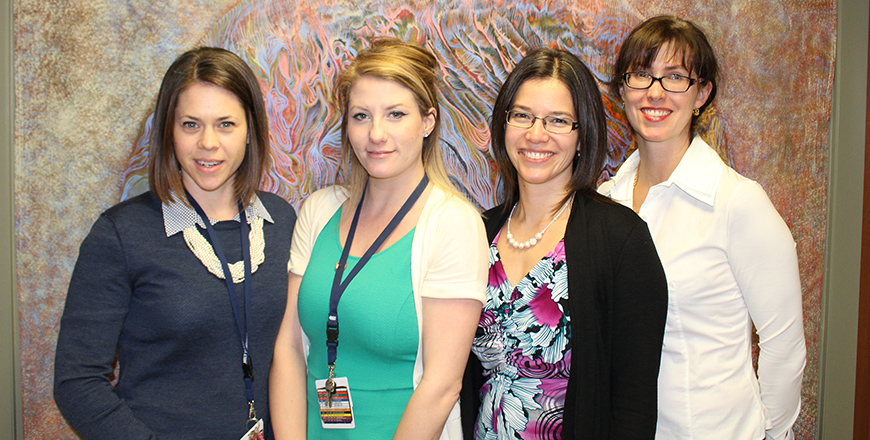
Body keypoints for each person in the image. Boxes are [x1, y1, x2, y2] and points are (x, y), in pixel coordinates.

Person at [53, 47, 296, 439]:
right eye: (190, 125)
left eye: (226, 124)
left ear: (251, 129)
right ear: (168, 130)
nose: (208, 143)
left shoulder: (282, 221)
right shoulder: (121, 234)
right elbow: (76, 382)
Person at [598, 15, 806, 440]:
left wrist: (771, 433)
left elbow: (785, 347)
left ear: (702, 93)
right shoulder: (604, 201)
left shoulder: (738, 204)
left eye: (675, 77)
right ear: (622, 91)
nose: (655, 92)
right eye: (641, 75)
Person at [269, 37, 488, 439]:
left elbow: (441, 387)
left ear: (427, 121)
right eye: (361, 116)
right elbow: (288, 348)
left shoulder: (453, 224)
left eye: (395, 114)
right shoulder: (318, 212)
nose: (376, 134)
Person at [460, 48, 668, 439]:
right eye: (522, 116)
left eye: (557, 120)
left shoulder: (621, 239)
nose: (536, 135)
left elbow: (634, 403)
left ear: (582, 134)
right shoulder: (475, 231)